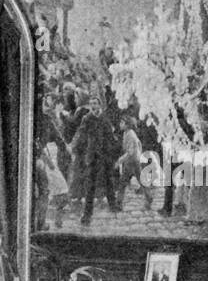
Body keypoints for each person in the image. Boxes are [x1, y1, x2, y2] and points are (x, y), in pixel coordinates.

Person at [64, 95, 120, 226]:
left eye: (95, 103)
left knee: (109, 181)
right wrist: (74, 146)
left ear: (99, 105)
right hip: (93, 155)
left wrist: (115, 150)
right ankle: (87, 215)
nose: (93, 106)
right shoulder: (87, 118)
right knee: (90, 185)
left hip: (105, 155)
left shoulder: (105, 118)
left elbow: (111, 136)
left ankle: (113, 205)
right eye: (91, 104)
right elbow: (81, 133)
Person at [116, 116, 152, 208]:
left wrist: (120, 160)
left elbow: (130, 152)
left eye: (122, 123)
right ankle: (149, 197)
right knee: (140, 180)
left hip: (131, 161)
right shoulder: (126, 133)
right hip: (134, 160)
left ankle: (119, 203)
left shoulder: (130, 135)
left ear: (127, 125)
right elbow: (138, 145)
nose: (120, 124)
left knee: (123, 182)